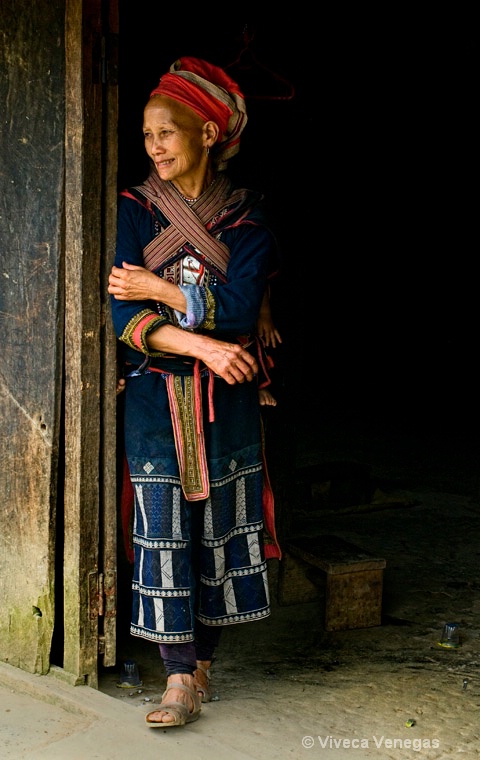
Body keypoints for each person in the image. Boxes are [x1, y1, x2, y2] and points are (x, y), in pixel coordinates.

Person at [108, 56, 281, 728]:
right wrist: (205, 343)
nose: (153, 145)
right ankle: (177, 677)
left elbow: (241, 308)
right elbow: (126, 321)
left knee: (218, 531)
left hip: (227, 404)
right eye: (148, 134)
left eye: (168, 132)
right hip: (158, 396)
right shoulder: (134, 210)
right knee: (163, 528)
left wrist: (164, 291)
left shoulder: (244, 219)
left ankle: (204, 660)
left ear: (208, 133)